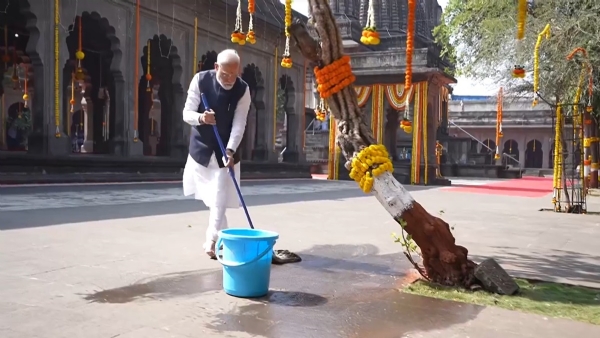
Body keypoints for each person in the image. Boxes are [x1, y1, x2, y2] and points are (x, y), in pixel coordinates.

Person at [182, 49, 251, 259]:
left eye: (234, 74)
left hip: (225, 151)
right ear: (216, 68)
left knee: (219, 195)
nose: (229, 79)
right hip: (201, 149)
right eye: (224, 74)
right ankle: (225, 237)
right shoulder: (200, 80)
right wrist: (202, 118)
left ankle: (211, 240)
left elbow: (240, 123)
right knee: (212, 200)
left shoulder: (242, 90)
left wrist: (230, 150)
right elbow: (186, 113)